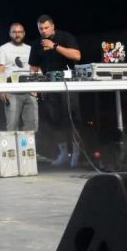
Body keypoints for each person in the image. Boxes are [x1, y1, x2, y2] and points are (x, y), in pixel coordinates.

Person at [28, 15, 81, 167]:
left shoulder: (65, 37)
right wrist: (33, 86)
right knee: (54, 119)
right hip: (49, 84)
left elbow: (77, 56)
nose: (43, 31)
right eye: (40, 29)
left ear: (52, 26)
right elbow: (33, 68)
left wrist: (55, 46)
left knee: (73, 118)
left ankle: (76, 153)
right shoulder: (36, 44)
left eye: (46, 28)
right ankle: (63, 153)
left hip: (69, 84)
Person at [0, 23, 36, 133]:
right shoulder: (3, 49)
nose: (17, 34)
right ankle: (12, 145)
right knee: (12, 126)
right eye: (14, 32)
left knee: (32, 126)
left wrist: (36, 88)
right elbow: (0, 70)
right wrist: (2, 89)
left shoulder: (30, 49)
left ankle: (28, 145)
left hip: (29, 90)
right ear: (10, 33)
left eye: (20, 32)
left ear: (24, 33)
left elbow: (35, 68)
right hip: (11, 91)